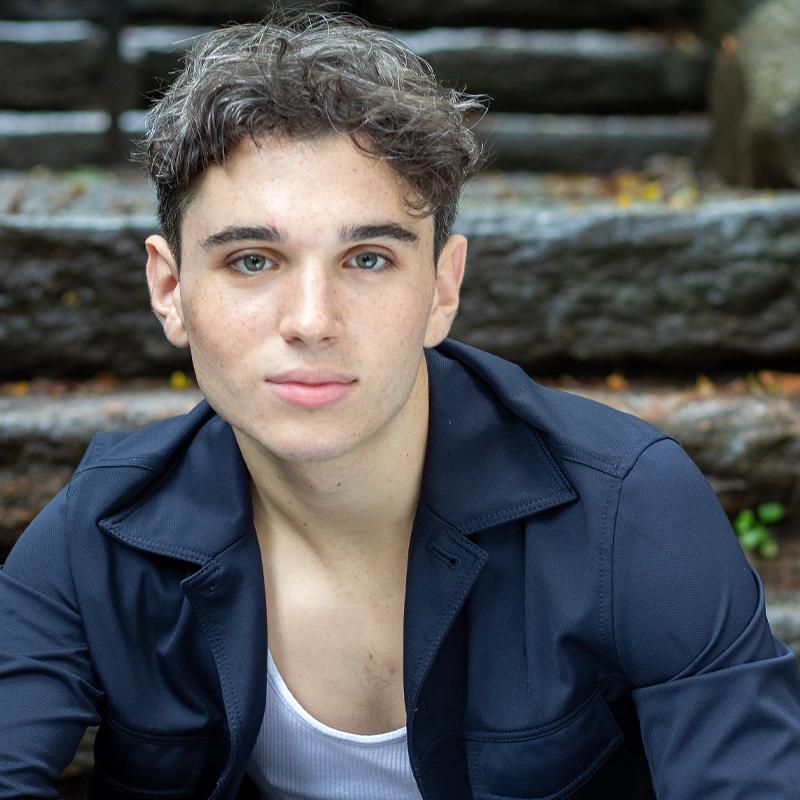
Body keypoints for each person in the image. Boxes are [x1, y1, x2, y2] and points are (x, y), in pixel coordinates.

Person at [1, 11, 799, 799]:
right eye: (252, 259)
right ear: (171, 290)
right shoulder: (97, 534)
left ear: (443, 288)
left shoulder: (629, 511)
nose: (312, 320)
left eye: (369, 258)